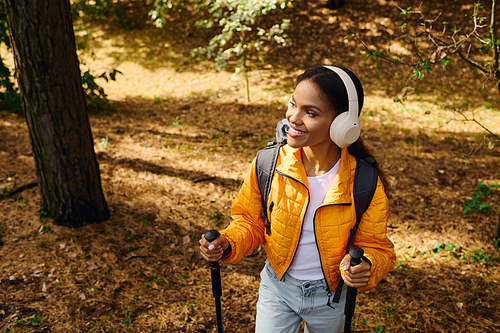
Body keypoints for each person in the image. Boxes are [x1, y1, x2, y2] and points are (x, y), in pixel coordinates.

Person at [199, 66, 396, 333]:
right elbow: (249, 222)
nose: (293, 117)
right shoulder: (268, 163)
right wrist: (228, 241)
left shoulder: (363, 181)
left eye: (310, 112)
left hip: (330, 298)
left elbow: (375, 246)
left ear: (342, 125)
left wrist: (367, 266)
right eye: (293, 103)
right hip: (277, 289)